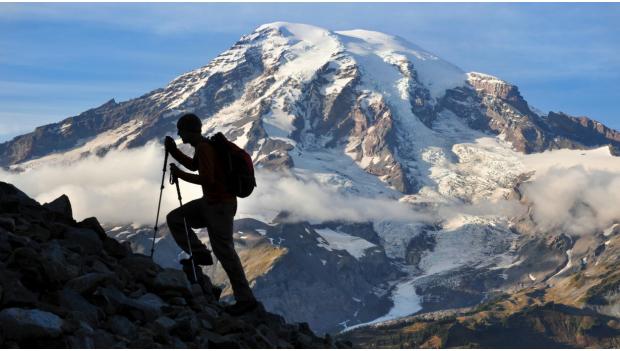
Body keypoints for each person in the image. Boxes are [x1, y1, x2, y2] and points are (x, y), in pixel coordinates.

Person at [165, 113, 258, 316]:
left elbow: (208, 180)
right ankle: (201, 254)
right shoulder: (203, 146)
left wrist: (180, 174)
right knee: (175, 218)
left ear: (189, 130)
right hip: (214, 204)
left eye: (181, 130)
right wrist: (174, 152)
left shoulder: (205, 148)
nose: (179, 134)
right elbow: (194, 166)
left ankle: (246, 299)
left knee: (225, 252)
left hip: (219, 206)